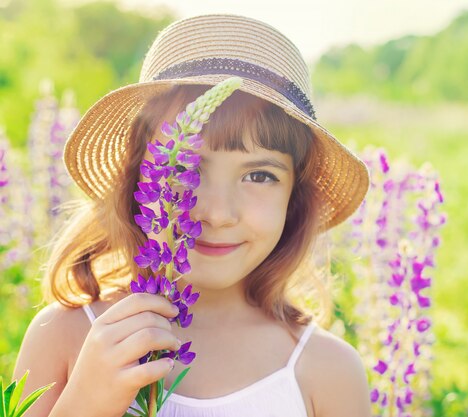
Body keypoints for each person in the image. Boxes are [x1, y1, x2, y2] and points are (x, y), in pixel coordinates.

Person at [12, 13, 371, 417]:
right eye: (186, 168)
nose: (217, 213)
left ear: (295, 199)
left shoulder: (326, 370)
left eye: (259, 174)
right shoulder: (65, 333)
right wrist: (85, 403)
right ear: (140, 180)